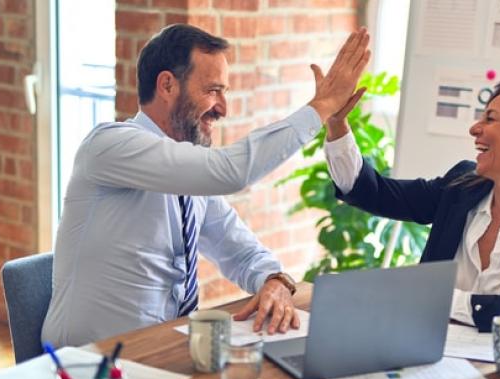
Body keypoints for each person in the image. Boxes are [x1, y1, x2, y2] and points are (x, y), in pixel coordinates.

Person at [42, 24, 370, 347]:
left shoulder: (189, 177)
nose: (223, 109)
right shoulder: (110, 146)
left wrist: (274, 280)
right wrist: (322, 106)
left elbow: (240, 250)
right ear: (167, 85)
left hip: (162, 353)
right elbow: (231, 171)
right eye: (213, 90)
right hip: (88, 366)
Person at [323, 78, 500, 341]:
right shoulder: (462, 187)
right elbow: (374, 193)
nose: (475, 128)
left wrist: (435, 298)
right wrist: (337, 125)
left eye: (490, 118)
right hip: (429, 353)